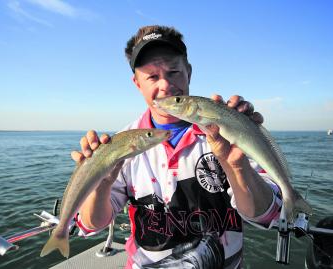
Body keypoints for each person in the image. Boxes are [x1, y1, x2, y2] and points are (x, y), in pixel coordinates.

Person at [71, 25, 282, 269]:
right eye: (152, 76)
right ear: (137, 83)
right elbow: (92, 224)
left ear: (188, 72)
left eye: (173, 72)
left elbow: (266, 214)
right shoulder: (121, 145)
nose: (165, 86)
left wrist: (237, 165)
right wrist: (100, 186)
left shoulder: (227, 130)